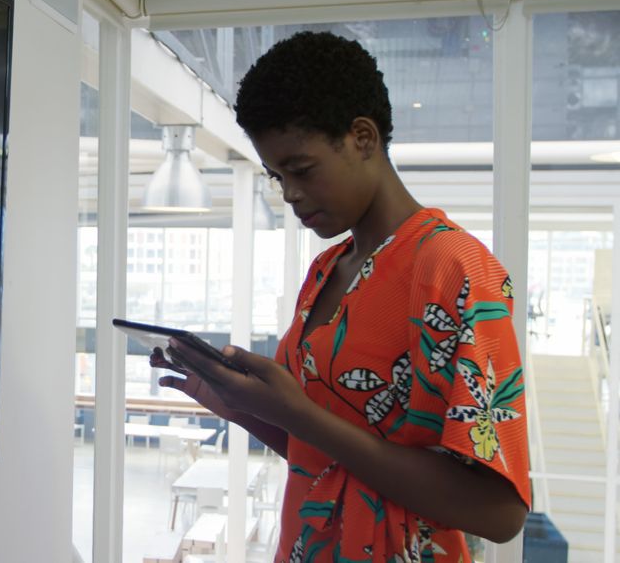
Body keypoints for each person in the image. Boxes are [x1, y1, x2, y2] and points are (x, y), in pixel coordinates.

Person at [153, 31, 529, 562]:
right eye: (276, 175)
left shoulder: (453, 268)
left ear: (362, 137)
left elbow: (500, 512)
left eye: (301, 169)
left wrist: (298, 415)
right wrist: (239, 406)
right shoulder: (327, 270)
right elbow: (323, 456)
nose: (289, 193)